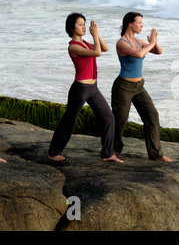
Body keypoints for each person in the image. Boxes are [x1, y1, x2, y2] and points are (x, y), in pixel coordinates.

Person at [48, 13, 122, 163]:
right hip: (80, 89)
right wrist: (94, 35)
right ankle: (53, 152)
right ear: (72, 28)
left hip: (93, 89)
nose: (83, 27)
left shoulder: (86, 43)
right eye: (80, 24)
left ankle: (107, 153)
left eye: (84, 23)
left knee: (108, 117)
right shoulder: (73, 46)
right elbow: (98, 53)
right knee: (69, 121)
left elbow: (105, 48)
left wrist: (97, 34)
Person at [111, 12, 171, 162]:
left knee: (152, 116)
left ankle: (156, 154)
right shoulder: (122, 43)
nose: (142, 26)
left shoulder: (138, 41)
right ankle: (111, 152)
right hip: (123, 87)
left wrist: (153, 42)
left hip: (139, 86)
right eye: (139, 23)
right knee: (120, 120)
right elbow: (138, 55)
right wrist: (150, 44)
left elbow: (158, 51)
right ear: (130, 24)